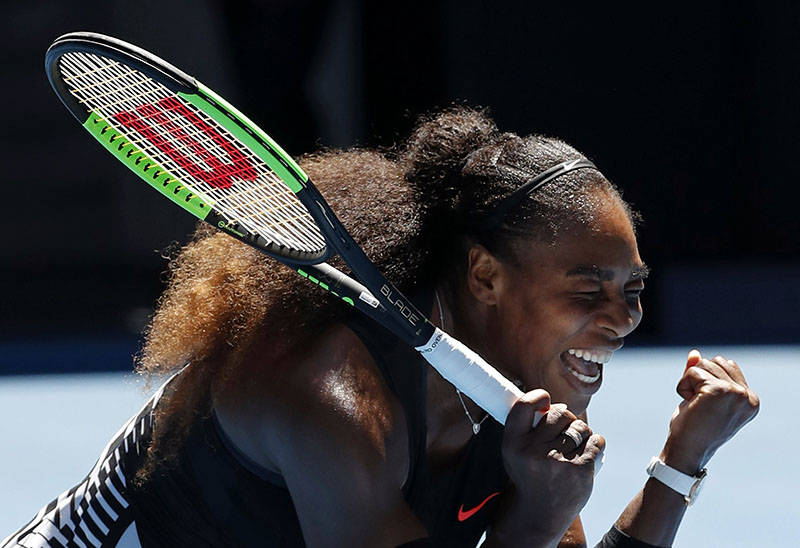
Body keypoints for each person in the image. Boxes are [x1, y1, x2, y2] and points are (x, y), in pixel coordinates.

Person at [1, 108, 759, 548]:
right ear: (484, 278)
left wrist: (680, 462)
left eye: (633, 291)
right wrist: (536, 518)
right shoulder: (331, 396)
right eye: (589, 288)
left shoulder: (508, 400)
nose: (623, 318)